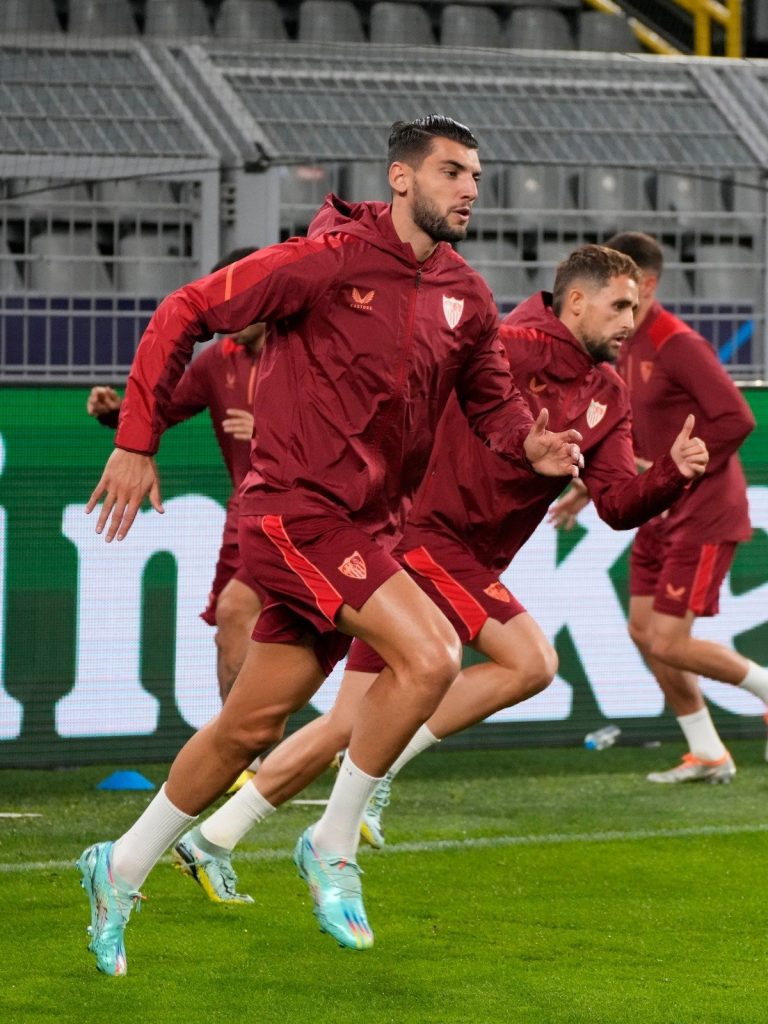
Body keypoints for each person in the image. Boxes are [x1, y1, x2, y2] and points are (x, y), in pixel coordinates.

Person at [76, 114, 584, 974]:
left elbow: (492, 404)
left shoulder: (468, 295)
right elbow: (185, 309)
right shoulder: (325, 259)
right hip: (292, 513)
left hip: (366, 526)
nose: (470, 188)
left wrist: (527, 445)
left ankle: (119, 866)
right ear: (400, 178)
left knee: (250, 728)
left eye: (476, 175)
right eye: (453, 172)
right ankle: (332, 844)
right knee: (430, 656)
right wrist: (136, 439)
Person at [168, 243, 709, 902]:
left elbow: (619, 503)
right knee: (531, 662)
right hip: (419, 538)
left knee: (347, 725)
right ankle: (383, 768)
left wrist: (673, 477)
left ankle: (211, 838)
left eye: (639, 305)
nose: (634, 319)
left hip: (464, 557)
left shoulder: (606, 393)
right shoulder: (500, 346)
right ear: (575, 301)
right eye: (620, 304)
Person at [550, 231, 765, 785]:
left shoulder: (677, 342)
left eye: (624, 295)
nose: (615, 305)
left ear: (645, 283)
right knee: (644, 632)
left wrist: (684, 472)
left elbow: (737, 419)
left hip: (702, 511)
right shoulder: (626, 342)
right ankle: (708, 751)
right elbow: (641, 435)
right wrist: (588, 486)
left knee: (670, 639)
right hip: (658, 508)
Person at [87, 247, 265, 708]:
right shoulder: (216, 361)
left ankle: (348, 738)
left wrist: (270, 429)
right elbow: (164, 411)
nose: (232, 314)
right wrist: (117, 417)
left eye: (243, 300)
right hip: (247, 516)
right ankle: (250, 760)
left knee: (334, 626)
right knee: (231, 626)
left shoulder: (312, 354)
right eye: (226, 304)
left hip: (309, 515)